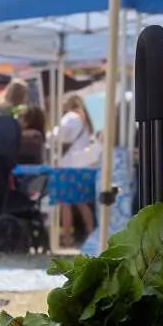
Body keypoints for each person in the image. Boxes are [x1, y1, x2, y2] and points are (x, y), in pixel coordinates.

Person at [52, 94, 97, 245]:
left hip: (68, 166)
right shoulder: (86, 120)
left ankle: (67, 237)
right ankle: (91, 233)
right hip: (82, 166)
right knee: (82, 203)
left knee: (65, 203)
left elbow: (57, 135)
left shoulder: (70, 117)